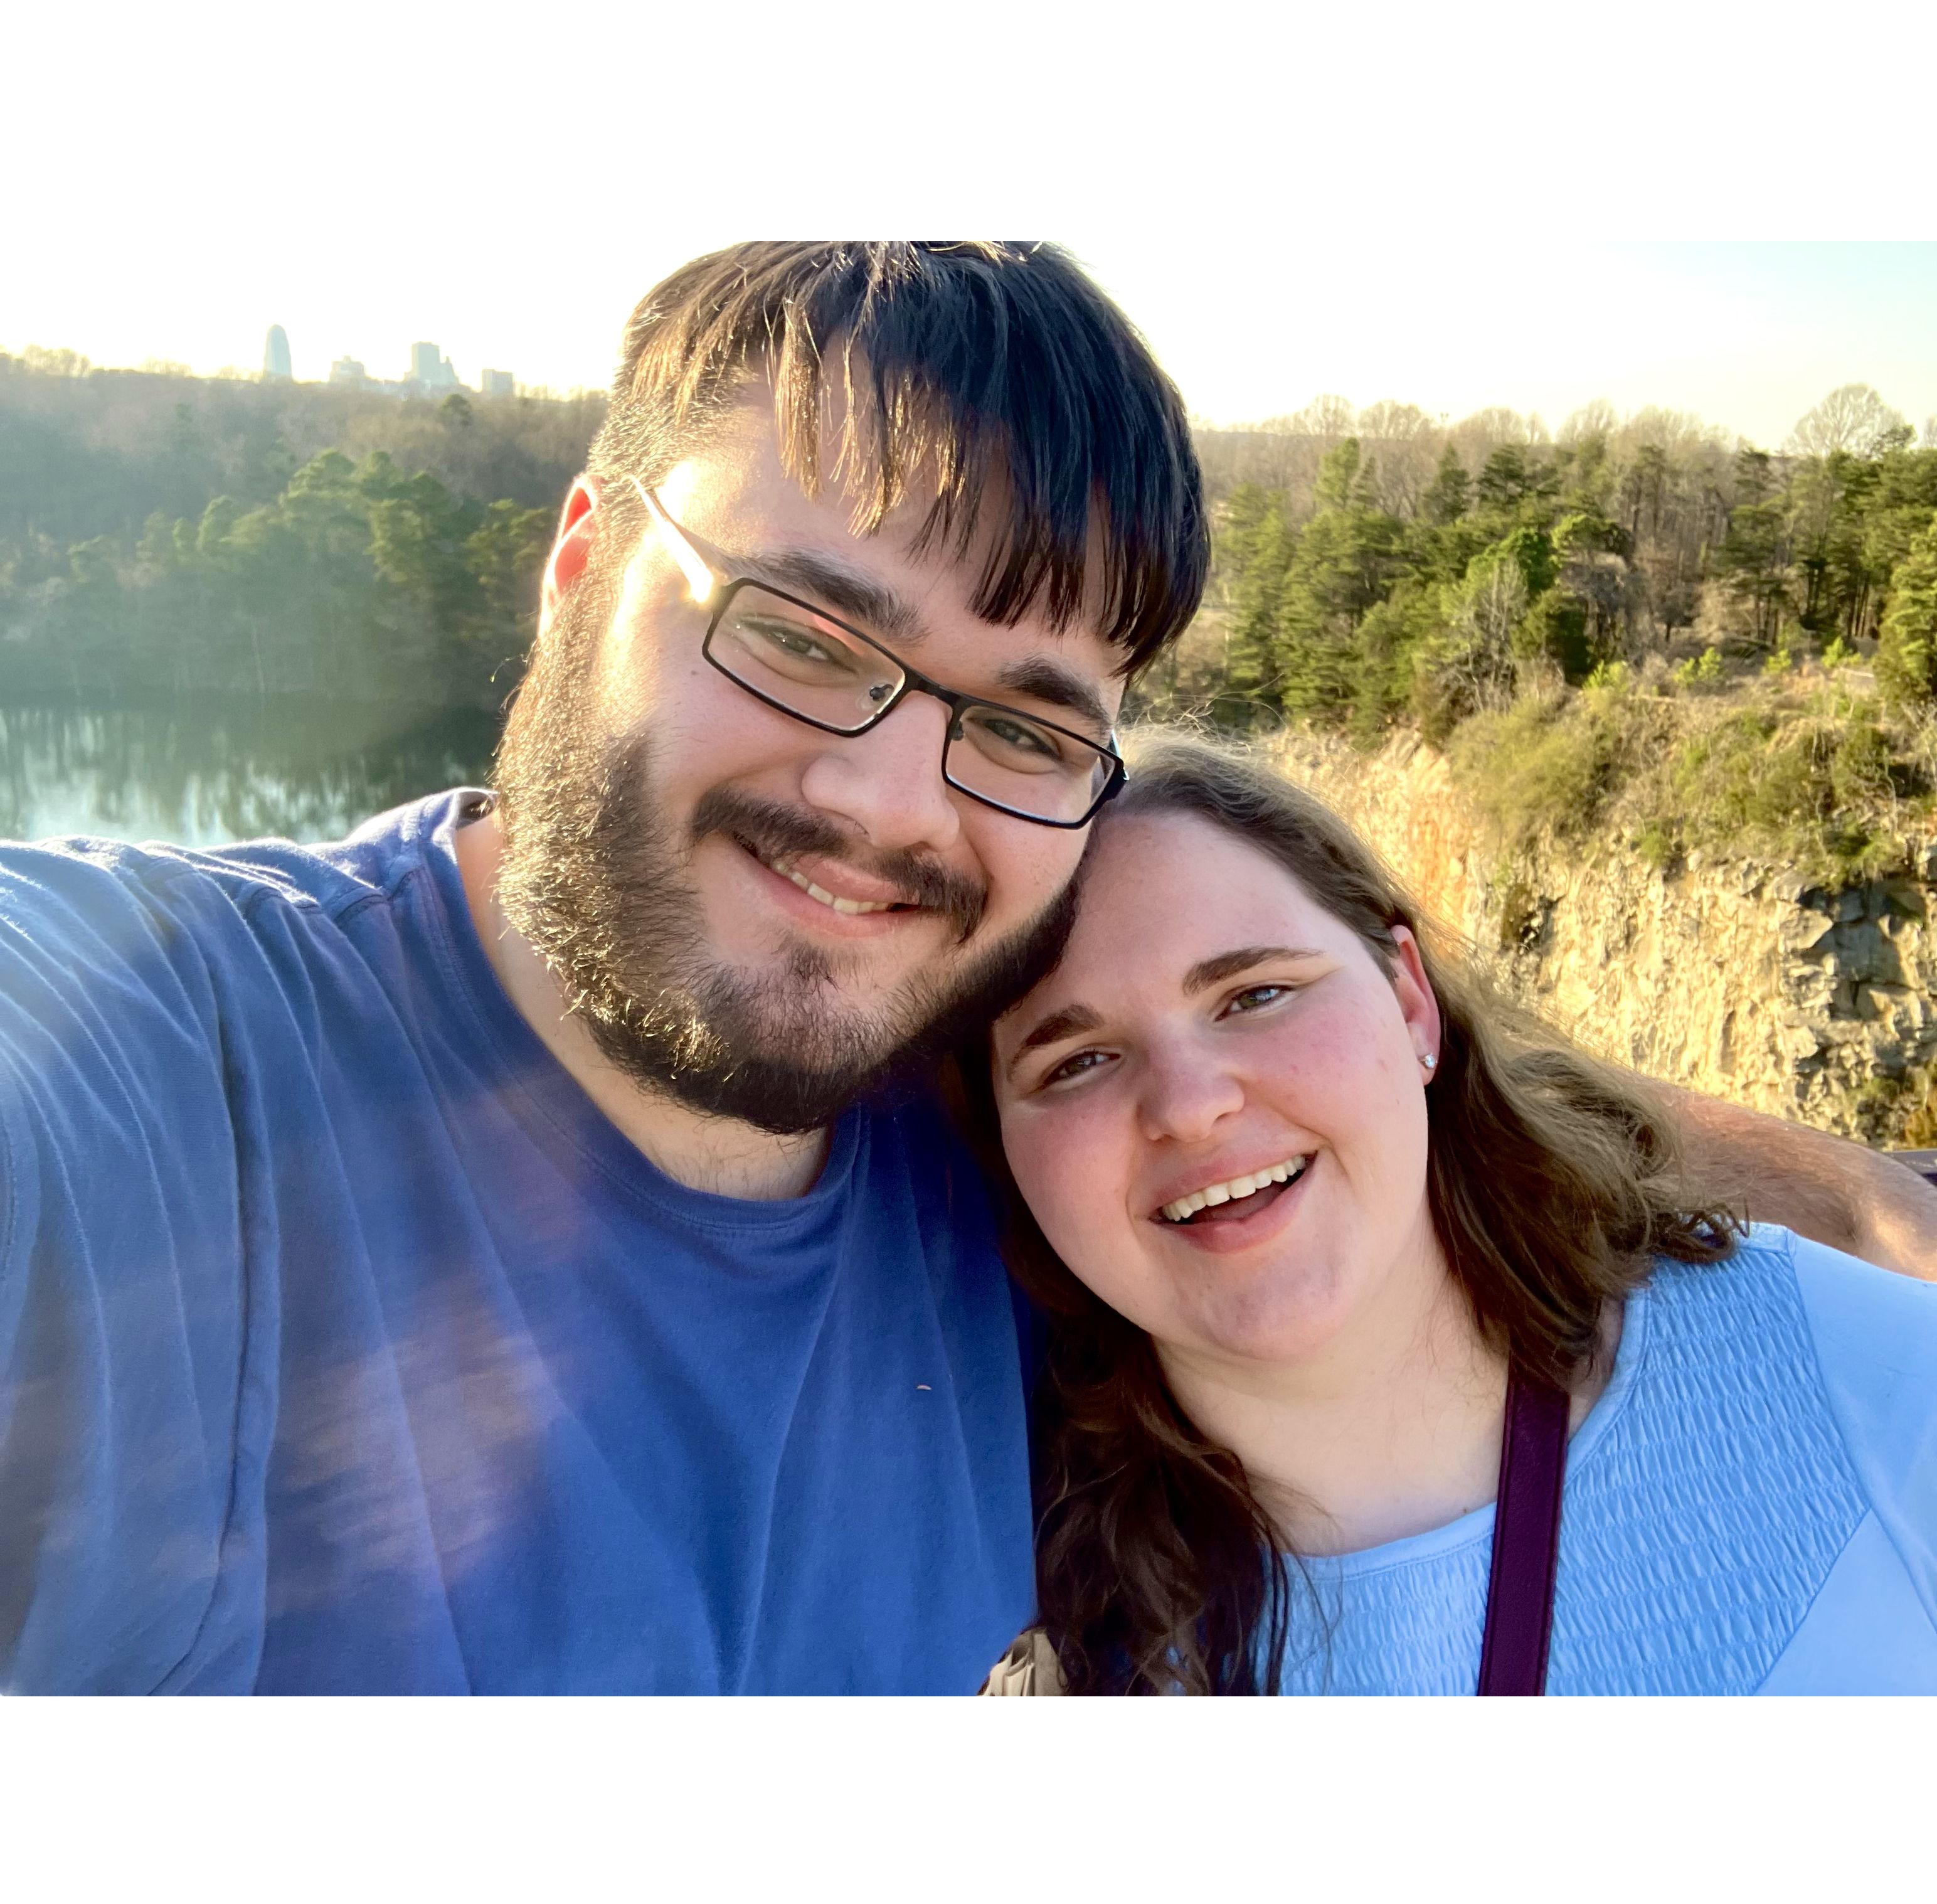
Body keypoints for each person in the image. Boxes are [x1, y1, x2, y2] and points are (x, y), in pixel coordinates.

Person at [0, 243, 1928, 1694]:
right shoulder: (147, 1084)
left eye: (1020, 721)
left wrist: (1855, 1195)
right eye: (799, 633)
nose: (880, 802)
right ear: (577, 563)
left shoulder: (985, 1155)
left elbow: (1380, 1095)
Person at [974, 733, 1937, 1695]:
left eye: (1255, 994)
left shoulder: (1856, 1381)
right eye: (1076, 1062)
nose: (1189, 1107)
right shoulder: (1017, 1617)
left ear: (1411, 1005)